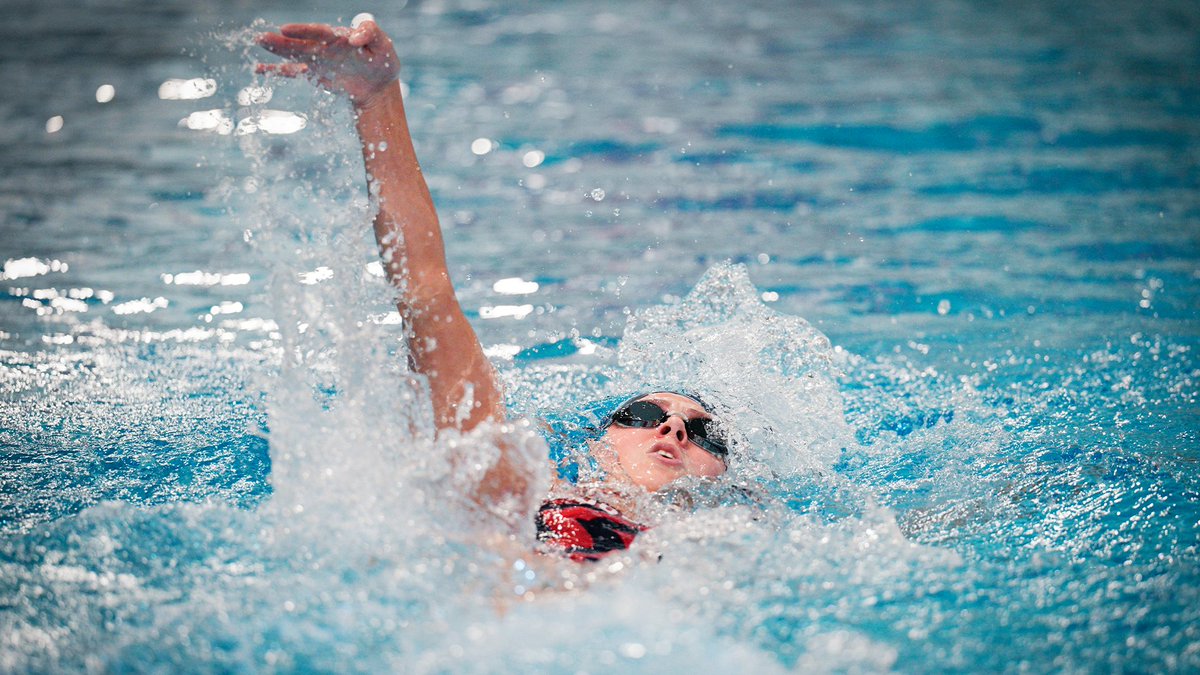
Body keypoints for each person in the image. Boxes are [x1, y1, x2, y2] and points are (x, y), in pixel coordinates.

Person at [257, 19, 733, 561]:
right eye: (644, 415)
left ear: (723, 477)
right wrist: (377, 99)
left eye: (706, 436)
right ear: (596, 445)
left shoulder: (727, 546)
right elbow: (426, 296)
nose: (672, 429)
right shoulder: (511, 482)